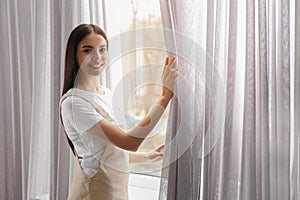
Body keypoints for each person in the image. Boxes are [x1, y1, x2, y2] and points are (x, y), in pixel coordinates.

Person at [60, 24, 179, 200]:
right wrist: (163, 98)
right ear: (74, 55)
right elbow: (129, 142)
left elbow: (109, 153)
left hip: (115, 193)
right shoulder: (74, 104)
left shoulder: (106, 94)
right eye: (87, 50)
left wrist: (148, 156)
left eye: (102, 50)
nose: (97, 57)